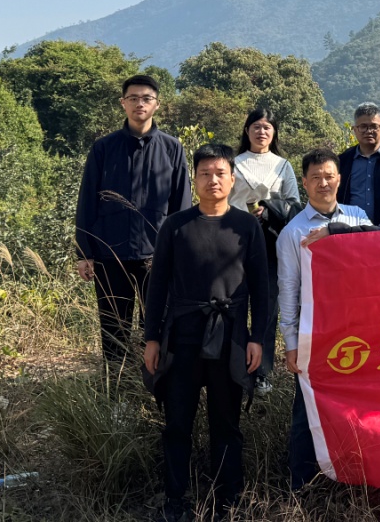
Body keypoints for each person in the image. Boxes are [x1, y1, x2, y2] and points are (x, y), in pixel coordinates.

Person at [142, 144, 269, 521]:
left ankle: (228, 499)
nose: (213, 180)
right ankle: (175, 500)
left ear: (232, 179)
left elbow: (262, 287)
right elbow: (157, 285)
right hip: (182, 335)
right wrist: (151, 338)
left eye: (220, 173)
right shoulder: (175, 225)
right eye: (204, 173)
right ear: (194, 179)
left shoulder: (246, 226)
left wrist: (257, 338)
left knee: (226, 423)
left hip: (231, 336)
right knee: (177, 423)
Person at [75, 74, 191, 364]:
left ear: (157, 104)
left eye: (147, 98)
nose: (140, 103)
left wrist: (180, 252)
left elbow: (181, 205)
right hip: (110, 252)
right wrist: (84, 253)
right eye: (134, 98)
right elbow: (87, 201)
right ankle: (118, 387)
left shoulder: (172, 148)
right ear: (123, 103)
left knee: (159, 328)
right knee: (114, 328)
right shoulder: (104, 148)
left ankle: (155, 385)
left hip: (157, 255)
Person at [277, 149, 374, 491]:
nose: (323, 183)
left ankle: (355, 478)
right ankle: (303, 486)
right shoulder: (292, 232)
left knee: (356, 405)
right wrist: (291, 343)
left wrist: (334, 230)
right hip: (314, 332)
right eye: (315, 177)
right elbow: (288, 290)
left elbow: (377, 238)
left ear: (339, 179)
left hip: (357, 330)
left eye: (329, 176)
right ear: (304, 183)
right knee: (308, 409)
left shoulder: (356, 215)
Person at [230, 108, 301, 397]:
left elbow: (295, 204)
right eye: (256, 126)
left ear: (274, 133)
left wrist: (270, 210)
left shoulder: (282, 166)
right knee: (233, 305)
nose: (261, 132)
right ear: (246, 130)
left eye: (267, 127)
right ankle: (234, 368)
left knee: (267, 308)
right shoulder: (233, 164)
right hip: (234, 242)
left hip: (271, 244)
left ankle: (262, 373)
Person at [336, 102, 380, 224]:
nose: (369, 131)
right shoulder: (342, 161)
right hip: (348, 229)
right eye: (363, 126)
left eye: (374, 126)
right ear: (355, 129)